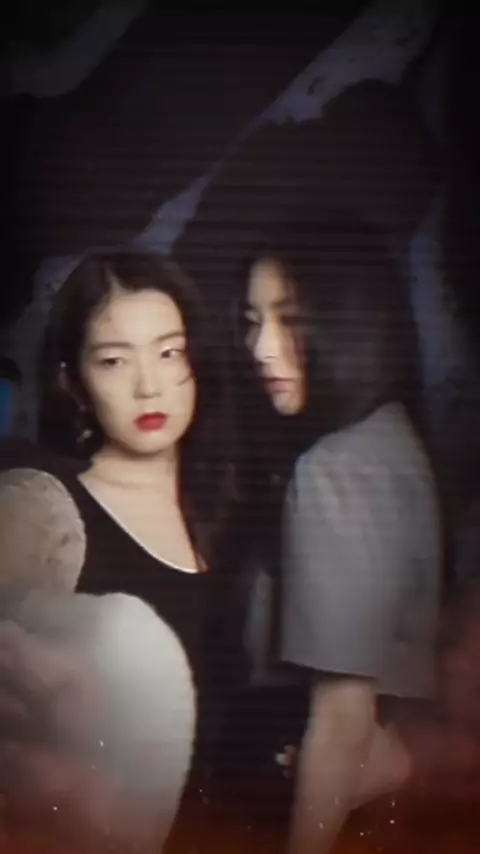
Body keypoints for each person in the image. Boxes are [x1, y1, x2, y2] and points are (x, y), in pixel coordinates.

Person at [0, 249, 234, 852]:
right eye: (113, 360)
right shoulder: (43, 509)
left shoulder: (229, 521)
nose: (148, 386)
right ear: (72, 381)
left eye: (168, 353)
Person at [227, 214, 442, 854]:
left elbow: (343, 718)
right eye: (251, 321)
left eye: (290, 319)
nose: (260, 348)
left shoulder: (334, 469)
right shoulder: (394, 438)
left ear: (351, 321)